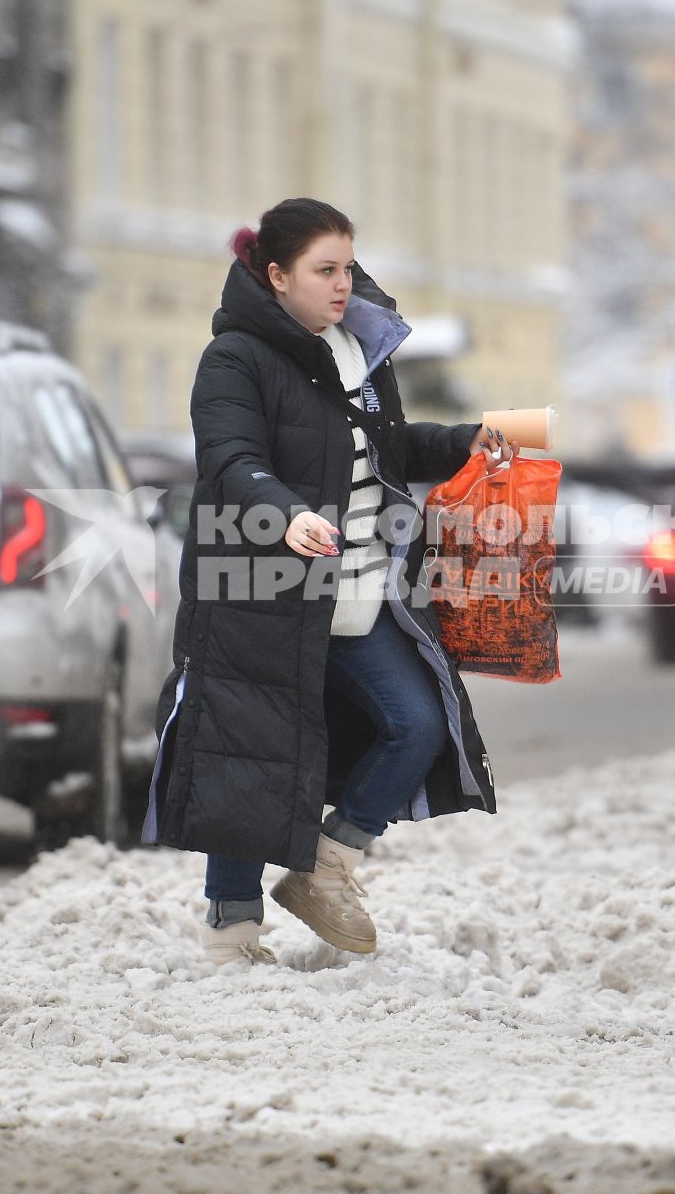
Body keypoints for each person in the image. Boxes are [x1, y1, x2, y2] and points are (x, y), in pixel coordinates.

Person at [140, 197, 518, 965]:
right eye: (324, 270)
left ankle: (329, 866)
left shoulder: (358, 351)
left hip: (360, 589)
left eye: (348, 267)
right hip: (261, 593)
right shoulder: (235, 360)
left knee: (416, 721)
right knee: (254, 754)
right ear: (277, 276)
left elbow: (388, 447)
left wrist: (462, 443)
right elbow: (230, 457)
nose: (343, 284)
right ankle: (231, 934)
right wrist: (283, 514)